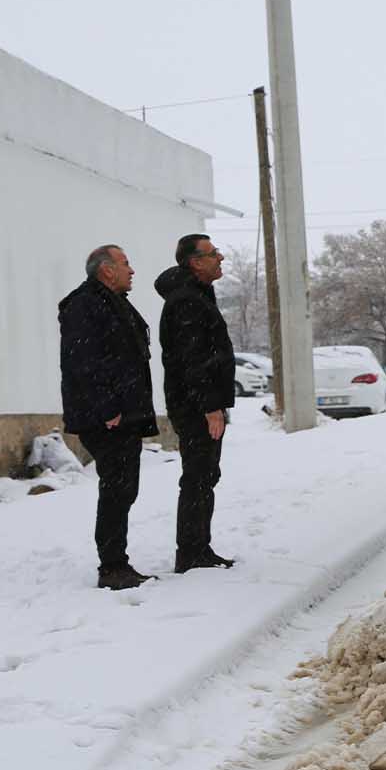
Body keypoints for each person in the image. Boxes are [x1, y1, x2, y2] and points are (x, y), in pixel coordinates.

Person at [58, 245, 159, 590]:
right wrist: (107, 408)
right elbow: (82, 361)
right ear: (106, 270)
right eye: (126, 264)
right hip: (105, 417)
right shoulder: (84, 305)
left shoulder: (112, 302)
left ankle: (117, 562)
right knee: (117, 487)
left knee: (124, 487)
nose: (132, 270)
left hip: (122, 413)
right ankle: (112, 567)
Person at [155, 234, 237, 573]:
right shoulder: (187, 300)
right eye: (213, 254)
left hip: (197, 403)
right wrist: (210, 407)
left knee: (204, 475)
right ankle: (191, 552)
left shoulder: (199, 294)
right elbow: (194, 358)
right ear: (195, 262)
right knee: (198, 476)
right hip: (194, 406)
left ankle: (198, 547)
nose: (220, 258)